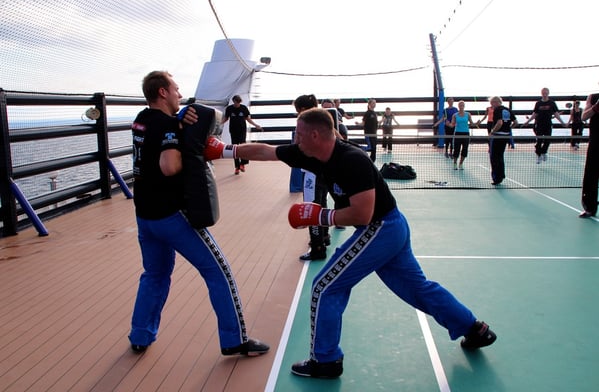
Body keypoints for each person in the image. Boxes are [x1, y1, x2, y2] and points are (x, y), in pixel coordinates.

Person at [198, 107, 497, 379]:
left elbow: (362, 214)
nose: (295, 139)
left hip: (381, 228)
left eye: (299, 133)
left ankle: (325, 361)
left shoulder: (353, 161)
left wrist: (320, 215)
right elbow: (267, 151)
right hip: (388, 228)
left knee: (325, 286)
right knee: (418, 289)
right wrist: (225, 150)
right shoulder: (308, 153)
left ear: (315, 135)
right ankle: (475, 329)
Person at [129, 71, 269, 357]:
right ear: (163, 92)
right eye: (176, 89)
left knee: (155, 274)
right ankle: (234, 339)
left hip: (145, 216)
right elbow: (169, 166)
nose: (180, 95)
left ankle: (140, 335)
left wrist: (178, 123)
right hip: (171, 216)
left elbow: (156, 140)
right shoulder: (169, 125)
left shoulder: (140, 119)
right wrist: (196, 154)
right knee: (218, 272)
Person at [295, 94, 330, 260]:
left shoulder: (305, 126)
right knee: (322, 204)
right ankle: (324, 237)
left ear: (302, 109)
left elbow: (297, 146)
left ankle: (317, 248)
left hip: (311, 174)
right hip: (325, 172)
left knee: (311, 209)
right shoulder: (324, 122)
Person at [522, 87, 566, 164]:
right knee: (539, 140)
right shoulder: (538, 103)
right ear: (541, 93)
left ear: (548, 93)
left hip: (548, 124)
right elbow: (535, 114)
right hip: (539, 124)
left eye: (546, 93)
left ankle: (544, 152)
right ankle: (538, 155)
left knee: (547, 140)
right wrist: (528, 121)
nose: (544, 94)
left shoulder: (552, 103)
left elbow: (556, 114)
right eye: (543, 93)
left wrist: (562, 122)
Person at [222, 95, 262, 175]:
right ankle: (237, 167)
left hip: (242, 130)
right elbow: (226, 118)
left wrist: (256, 125)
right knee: (235, 148)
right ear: (233, 101)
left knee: (243, 146)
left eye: (239, 102)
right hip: (233, 130)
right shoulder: (229, 108)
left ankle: (243, 164)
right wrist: (219, 124)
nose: (238, 104)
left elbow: (248, 118)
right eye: (236, 102)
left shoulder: (243, 108)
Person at [488, 96, 518, 185]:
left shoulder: (497, 110)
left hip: (497, 136)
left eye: (492, 103)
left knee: (494, 157)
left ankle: (496, 178)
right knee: (500, 156)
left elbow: (499, 122)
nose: (492, 106)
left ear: (496, 102)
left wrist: (492, 132)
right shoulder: (508, 110)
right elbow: (516, 122)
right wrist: (508, 129)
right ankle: (501, 176)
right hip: (505, 136)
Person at [579, 92, 599, 218]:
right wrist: (596, 107)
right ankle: (589, 208)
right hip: (596, 144)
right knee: (591, 176)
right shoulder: (593, 97)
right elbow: (584, 117)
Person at [450, 100, 479, 170]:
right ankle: (455, 163)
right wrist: (447, 123)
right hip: (458, 133)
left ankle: (461, 164)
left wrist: (476, 123)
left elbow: (471, 124)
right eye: (460, 105)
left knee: (465, 149)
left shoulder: (468, 114)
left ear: (464, 106)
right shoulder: (455, 115)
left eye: (462, 105)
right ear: (458, 106)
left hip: (466, 134)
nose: (461, 106)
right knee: (456, 149)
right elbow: (452, 125)